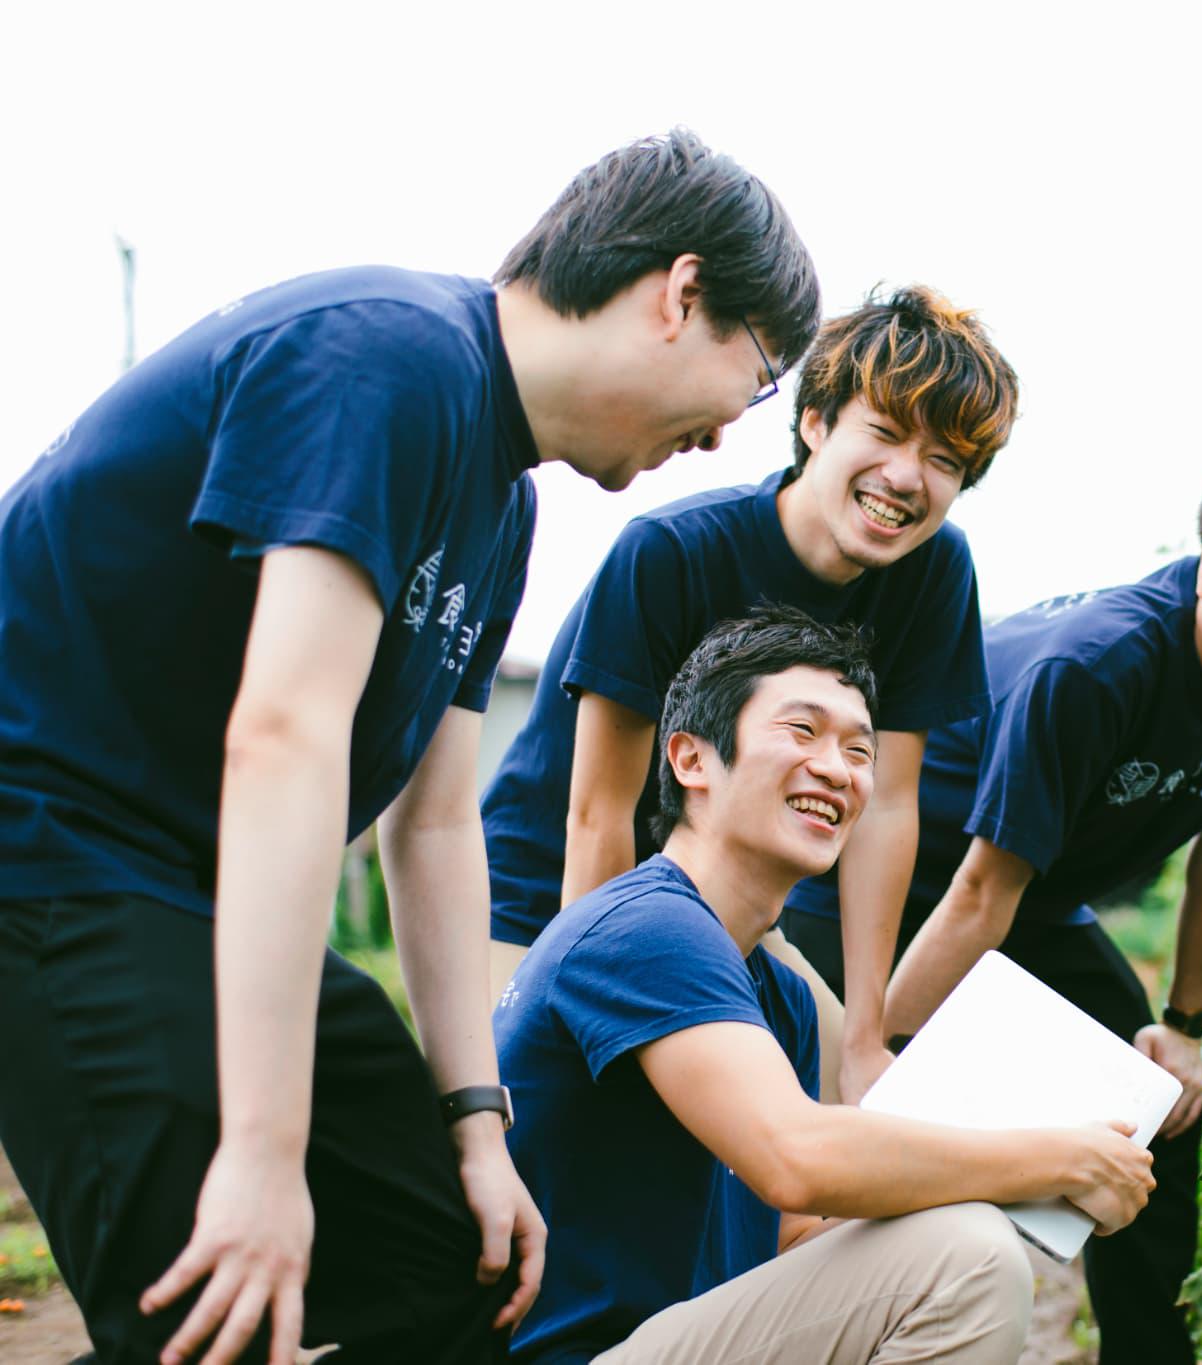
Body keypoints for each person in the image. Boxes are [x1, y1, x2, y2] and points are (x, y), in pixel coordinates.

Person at [0, 128, 818, 1364]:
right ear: (679, 294)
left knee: (455, 1265)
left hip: (190, 892)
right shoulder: (390, 358)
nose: (720, 438)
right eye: (752, 381)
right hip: (54, 856)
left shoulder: (502, 504)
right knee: (215, 1302)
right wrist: (264, 1155)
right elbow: (284, 733)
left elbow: (433, 822)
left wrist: (479, 1131)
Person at [781, 433, 1202, 1364]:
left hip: (1029, 897)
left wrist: (1183, 1027)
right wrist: (880, 1059)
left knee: (1157, 1102)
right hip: (894, 887)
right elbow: (979, 893)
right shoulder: (1099, 665)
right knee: (841, 1115)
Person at [495, 607, 1155, 1364]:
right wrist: (1059, 1159)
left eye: (859, 750)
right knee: (969, 1257)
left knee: (956, 1232)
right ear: (690, 759)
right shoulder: (646, 927)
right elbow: (796, 1156)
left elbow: (793, 1238)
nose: (838, 770)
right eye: (802, 731)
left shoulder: (778, 995)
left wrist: (994, 1177)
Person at [482, 284, 1017, 1104]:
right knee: (561, 1131)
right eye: (884, 433)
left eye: (944, 461)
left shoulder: (935, 570)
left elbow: (885, 804)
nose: (906, 477)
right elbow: (597, 815)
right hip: (547, 899)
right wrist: (601, 1020)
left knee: (859, 1107)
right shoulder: (670, 552)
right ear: (815, 423)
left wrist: (865, 1036)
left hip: (726, 909)